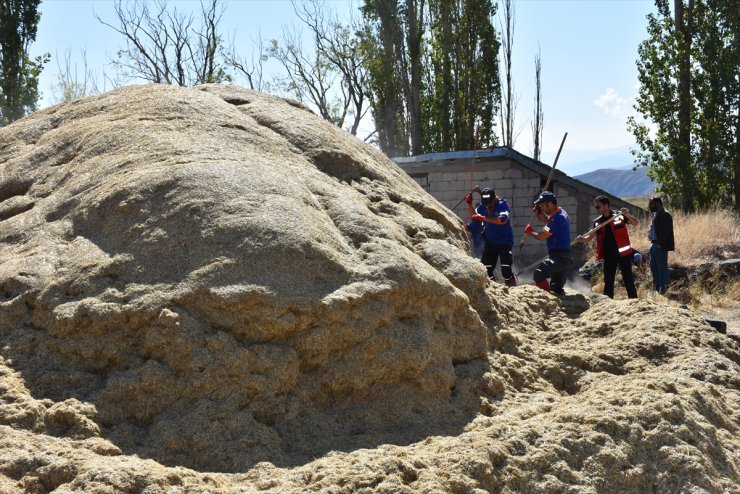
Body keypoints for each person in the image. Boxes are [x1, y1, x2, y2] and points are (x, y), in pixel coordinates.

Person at [575, 196, 639, 299]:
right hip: (608, 255)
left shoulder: (619, 215)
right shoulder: (597, 222)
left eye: (598, 206)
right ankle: (608, 303)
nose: (596, 209)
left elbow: (635, 223)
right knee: (608, 281)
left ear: (606, 205)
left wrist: (627, 214)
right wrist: (581, 239)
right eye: (595, 206)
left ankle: (634, 302)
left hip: (623, 254)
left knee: (628, 279)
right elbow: (589, 238)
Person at [523, 191, 572, 295]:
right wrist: (540, 212)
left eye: (542, 206)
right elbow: (549, 223)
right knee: (556, 289)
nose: (542, 208)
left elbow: (542, 236)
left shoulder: (557, 218)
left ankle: (546, 299)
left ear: (550, 204)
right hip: (563, 258)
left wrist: (530, 232)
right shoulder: (560, 213)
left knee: (538, 273)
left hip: (559, 258)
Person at [466, 187, 517, 286]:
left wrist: (484, 218)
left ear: (494, 199)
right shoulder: (483, 206)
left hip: (504, 241)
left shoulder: (503, 205)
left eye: (489, 203)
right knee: (486, 269)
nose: (487, 206)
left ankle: (512, 288)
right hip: (490, 242)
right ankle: (493, 288)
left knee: (506, 271)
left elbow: (502, 220)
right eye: (485, 203)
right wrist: (469, 204)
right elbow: (474, 217)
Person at [648, 196, 674, 294]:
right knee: (654, 267)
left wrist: (660, 244)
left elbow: (666, 231)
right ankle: (657, 288)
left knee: (662, 267)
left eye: (651, 203)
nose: (649, 206)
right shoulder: (657, 214)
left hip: (659, 246)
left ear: (658, 204)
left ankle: (663, 289)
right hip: (654, 244)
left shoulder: (665, 214)